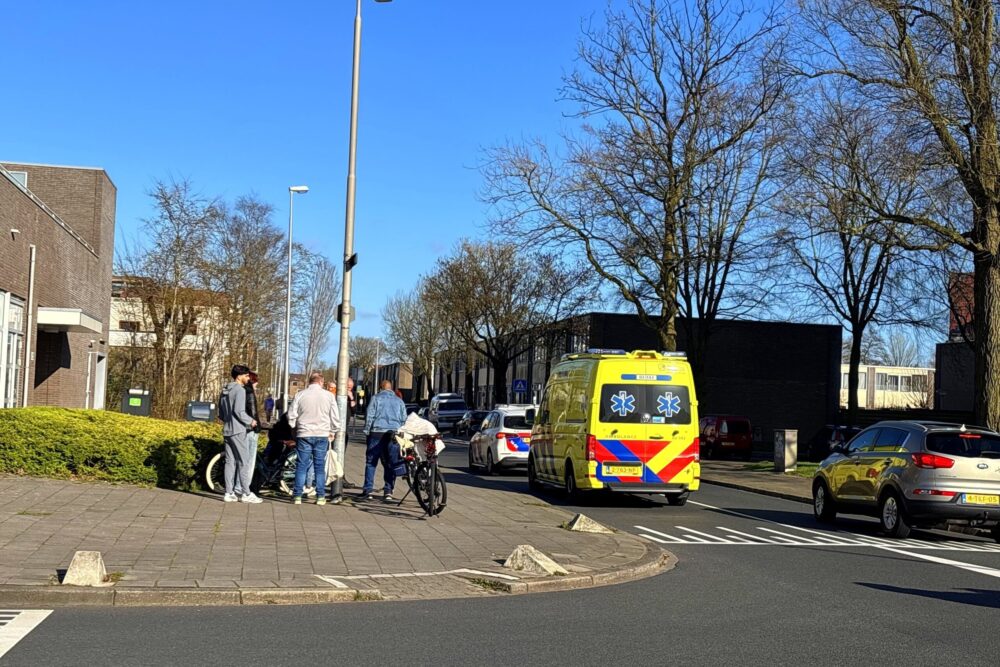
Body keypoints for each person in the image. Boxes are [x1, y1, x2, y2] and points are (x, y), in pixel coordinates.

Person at [288, 371, 341, 505]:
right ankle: (321, 496)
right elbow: (335, 417)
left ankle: (297, 496)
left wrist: (294, 426)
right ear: (321, 382)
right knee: (319, 466)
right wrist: (333, 430)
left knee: (301, 465)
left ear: (310, 381)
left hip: (304, 433)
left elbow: (291, 415)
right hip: (321, 434)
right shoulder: (329, 396)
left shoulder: (300, 395)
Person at [218, 364, 261, 503]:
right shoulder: (240, 391)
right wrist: (251, 421)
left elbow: (221, 413)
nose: (248, 378)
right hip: (238, 430)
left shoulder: (225, 390)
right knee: (244, 462)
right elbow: (239, 411)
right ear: (239, 376)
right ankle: (246, 493)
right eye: (246, 375)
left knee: (230, 462)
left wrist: (228, 421)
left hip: (227, 430)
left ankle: (229, 493)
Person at [361, 379, 407, 503]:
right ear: (391, 388)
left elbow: (370, 415)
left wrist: (367, 431)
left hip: (377, 432)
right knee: (391, 462)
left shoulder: (376, 398)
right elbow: (404, 419)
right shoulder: (399, 401)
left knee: (371, 462)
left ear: (381, 388)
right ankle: (388, 491)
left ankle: (368, 489)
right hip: (393, 433)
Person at [234, 371, 262, 498]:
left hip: (239, 429)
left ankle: (236, 487)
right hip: (250, 429)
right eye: (256, 383)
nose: (256, 386)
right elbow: (253, 411)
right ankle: (243, 489)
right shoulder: (249, 392)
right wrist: (257, 426)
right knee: (249, 461)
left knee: (239, 460)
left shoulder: (237, 391)